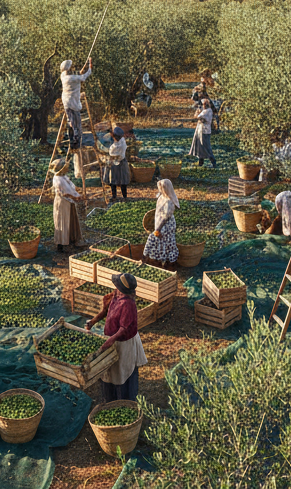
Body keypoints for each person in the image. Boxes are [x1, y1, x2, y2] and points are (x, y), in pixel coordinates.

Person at [86, 273, 148, 401]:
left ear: (121, 289)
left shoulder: (128, 304)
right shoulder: (115, 296)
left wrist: (110, 340)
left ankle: (124, 400)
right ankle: (111, 398)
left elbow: (123, 329)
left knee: (122, 371)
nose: (115, 288)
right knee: (110, 370)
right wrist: (92, 322)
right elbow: (105, 311)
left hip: (124, 343)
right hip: (112, 339)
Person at [144, 179, 179, 268]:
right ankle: (161, 261)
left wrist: (158, 229)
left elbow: (165, 218)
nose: (160, 189)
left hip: (166, 225)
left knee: (159, 240)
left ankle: (167, 262)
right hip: (159, 222)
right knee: (163, 243)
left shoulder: (169, 201)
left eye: (161, 188)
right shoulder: (162, 197)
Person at [51, 158, 83, 253]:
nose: (68, 169)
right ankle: (60, 244)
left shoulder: (63, 176)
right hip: (62, 202)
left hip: (68, 202)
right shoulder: (59, 180)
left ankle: (71, 239)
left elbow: (71, 187)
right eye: (66, 167)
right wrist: (76, 197)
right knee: (62, 222)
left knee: (70, 219)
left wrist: (77, 193)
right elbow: (65, 194)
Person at [60, 58, 92, 150]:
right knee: (77, 125)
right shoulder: (72, 78)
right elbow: (84, 77)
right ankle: (76, 144)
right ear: (69, 68)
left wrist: (83, 68)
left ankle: (72, 142)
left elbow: (78, 75)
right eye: (71, 66)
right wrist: (90, 66)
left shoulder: (63, 75)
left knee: (71, 122)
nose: (72, 67)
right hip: (73, 102)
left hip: (66, 101)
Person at [100, 127, 130, 203]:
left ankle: (115, 196)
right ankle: (124, 197)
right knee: (123, 181)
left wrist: (102, 149)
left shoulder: (116, 147)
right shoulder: (122, 141)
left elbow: (110, 153)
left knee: (113, 180)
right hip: (122, 162)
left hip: (115, 163)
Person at [189, 98, 216, 168]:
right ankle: (201, 161)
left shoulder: (207, 111)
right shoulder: (205, 111)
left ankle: (213, 161)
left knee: (206, 146)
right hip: (201, 130)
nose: (202, 106)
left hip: (205, 131)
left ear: (206, 105)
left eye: (203, 104)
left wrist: (198, 113)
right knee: (200, 146)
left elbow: (198, 117)